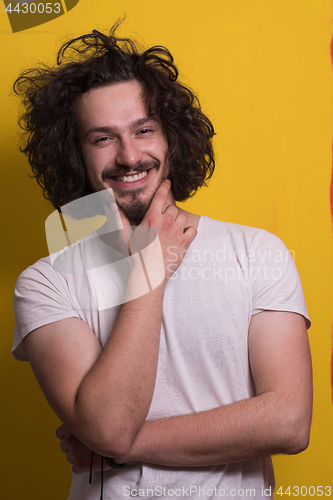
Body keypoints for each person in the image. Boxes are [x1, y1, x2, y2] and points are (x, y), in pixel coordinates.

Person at [12, 23, 312, 500]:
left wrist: (119, 446)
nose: (130, 156)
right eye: (102, 138)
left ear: (171, 137)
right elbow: (108, 424)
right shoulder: (46, 283)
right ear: (76, 154)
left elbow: (290, 422)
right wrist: (150, 272)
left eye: (144, 130)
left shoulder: (257, 252)